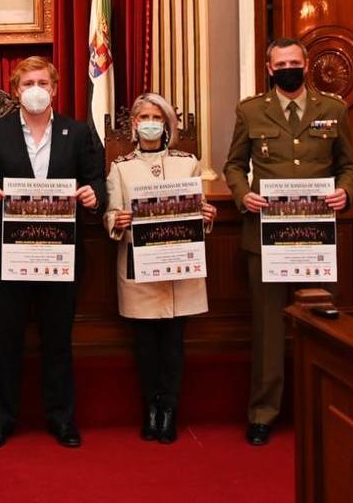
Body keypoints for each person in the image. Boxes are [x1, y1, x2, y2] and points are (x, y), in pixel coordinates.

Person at [223, 37, 353, 446]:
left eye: (294, 62)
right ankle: (263, 413)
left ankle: (324, 408)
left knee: (320, 323)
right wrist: (241, 193)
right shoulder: (251, 110)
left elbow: (350, 166)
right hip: (265, 236)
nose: (288, 68)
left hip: (314, 237)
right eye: (280, 63)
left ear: (306, 65)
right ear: (269, 69)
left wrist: (346, 191)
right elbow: (233, 165)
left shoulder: (333, 109)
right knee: (267, 330)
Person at [0, 56, 106, 449]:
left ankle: (62, 419)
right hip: (9, 255)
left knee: (57, 340)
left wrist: (94, 194)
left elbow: (97, 179)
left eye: (43, 82)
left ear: (55, 88)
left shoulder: (77, 133)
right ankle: (1, 420)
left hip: (60, 255)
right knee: (6, 341)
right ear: (16, 90)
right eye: (28, 82)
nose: (36, 89)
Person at [103, 92, 217, 443]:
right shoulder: (119, 168)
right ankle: (150, 407)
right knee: (146, 346)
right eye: (142, 118)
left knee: (173, 344)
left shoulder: (188, 163)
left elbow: (198, 209)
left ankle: (169, 409)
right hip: (140, 267)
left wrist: (207, 216)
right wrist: (116, 219)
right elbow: (110, 214)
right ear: (134, 126)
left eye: (156, 117)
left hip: (179, 269)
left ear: (167, 125)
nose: (149, 123)